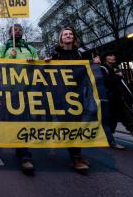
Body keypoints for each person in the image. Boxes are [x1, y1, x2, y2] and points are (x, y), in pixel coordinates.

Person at [47, 27, 91, 171]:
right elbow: (48, 73)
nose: (68, 36)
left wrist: (94, 63)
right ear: (61, 38)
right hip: (62, 94)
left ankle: (76, 153)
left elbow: (88, 71)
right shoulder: (55, 54)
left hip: (78, 93)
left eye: (70, 34)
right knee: (69, 123)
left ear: (74, 37)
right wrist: (46, 63)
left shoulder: (81, 53)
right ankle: (76, 157)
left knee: (77, 123)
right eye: (65, 34)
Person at [0, 23, 38, 173]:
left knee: (24, 120)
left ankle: (24, 155)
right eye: (14, 29)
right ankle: (17, 145)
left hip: (27, 88)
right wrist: (9, 57)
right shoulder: (4, 48)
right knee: (13, 120)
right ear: (9, 33)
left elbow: (38, 64)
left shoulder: (30, 48)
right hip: (10, 90)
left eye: (20, 29)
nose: (18, 31)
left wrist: (34, 62)